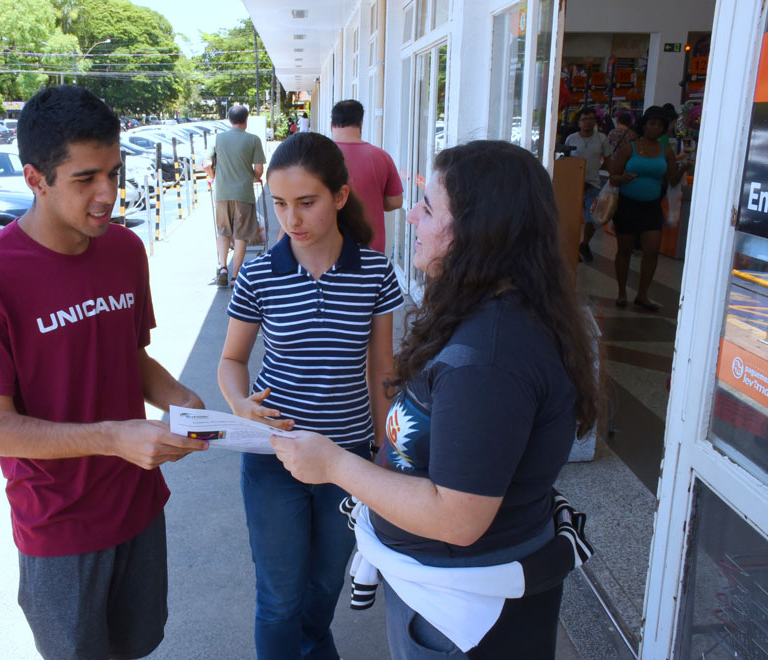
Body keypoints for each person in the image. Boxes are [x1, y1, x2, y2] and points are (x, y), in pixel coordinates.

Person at [269, 140, 598, 660]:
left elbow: (458, 518)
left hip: (461, 614)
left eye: (429, 208)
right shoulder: (489, 314)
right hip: (450, 591)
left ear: (478, 228)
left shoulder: (490, 359)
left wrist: (332, 463)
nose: (413, 219)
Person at [0, 85, 208, 660]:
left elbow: (127, 356)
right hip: (57, 526)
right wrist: (112, 436)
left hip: (138, 503)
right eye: (86, 179)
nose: (108, 194)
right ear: (36, 179)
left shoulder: (124, 251)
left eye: (114, 171)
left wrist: (180, 396)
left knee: (137, 645)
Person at [218, 131, 404, 660]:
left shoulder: (374, 273)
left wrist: (386, 456)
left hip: (347, 462)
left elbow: (382, 373)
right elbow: (232, 360)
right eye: (278, 204)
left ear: (340, 197)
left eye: (306, 202)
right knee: (279, 599)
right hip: (273, 455)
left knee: (324, 591)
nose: (290, 219)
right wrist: (239, 403)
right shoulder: (258, 272)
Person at [609, 105, 689, 310]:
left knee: (652, 250)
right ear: (644, 125)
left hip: (651, 207)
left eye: (660, 125)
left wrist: (683, 169)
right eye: (652, 124)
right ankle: (621, 292)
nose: (655, 128)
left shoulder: (667, 152)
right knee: (625, 250)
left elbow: (671, 180)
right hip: (627, 205)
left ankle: (643, 294)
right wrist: (623, 178)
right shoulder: (630, 148)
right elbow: (613, 176)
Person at [203, 104, 266, 288]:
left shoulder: (218, 139)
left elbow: (207, 164)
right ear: (246, 120)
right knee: (240, 236)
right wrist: (250, 178)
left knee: (223, 231)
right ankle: (235, 276)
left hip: (222, 193)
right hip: (244, 194)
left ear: (229, 120)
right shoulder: (253, 140)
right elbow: (259, 170)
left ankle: (223, 267)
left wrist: (215, 177)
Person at [331, 99, 404, 254]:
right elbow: (396, 201)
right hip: (371, 247)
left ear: (332, 124)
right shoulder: (381, 156)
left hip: (329, 247)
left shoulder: (317, 156)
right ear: (361, 124)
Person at [564, 107, 612, 263]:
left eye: (591, 119)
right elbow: (564, 160)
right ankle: (571, 247)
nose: (588, 123)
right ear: (578, 122)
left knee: (592, 219)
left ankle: (585, 244)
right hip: (573, 185)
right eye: (585, 119)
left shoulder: (601, 139)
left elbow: (608, 160)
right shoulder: (571, 138)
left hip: (593, 184)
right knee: (572, 219)